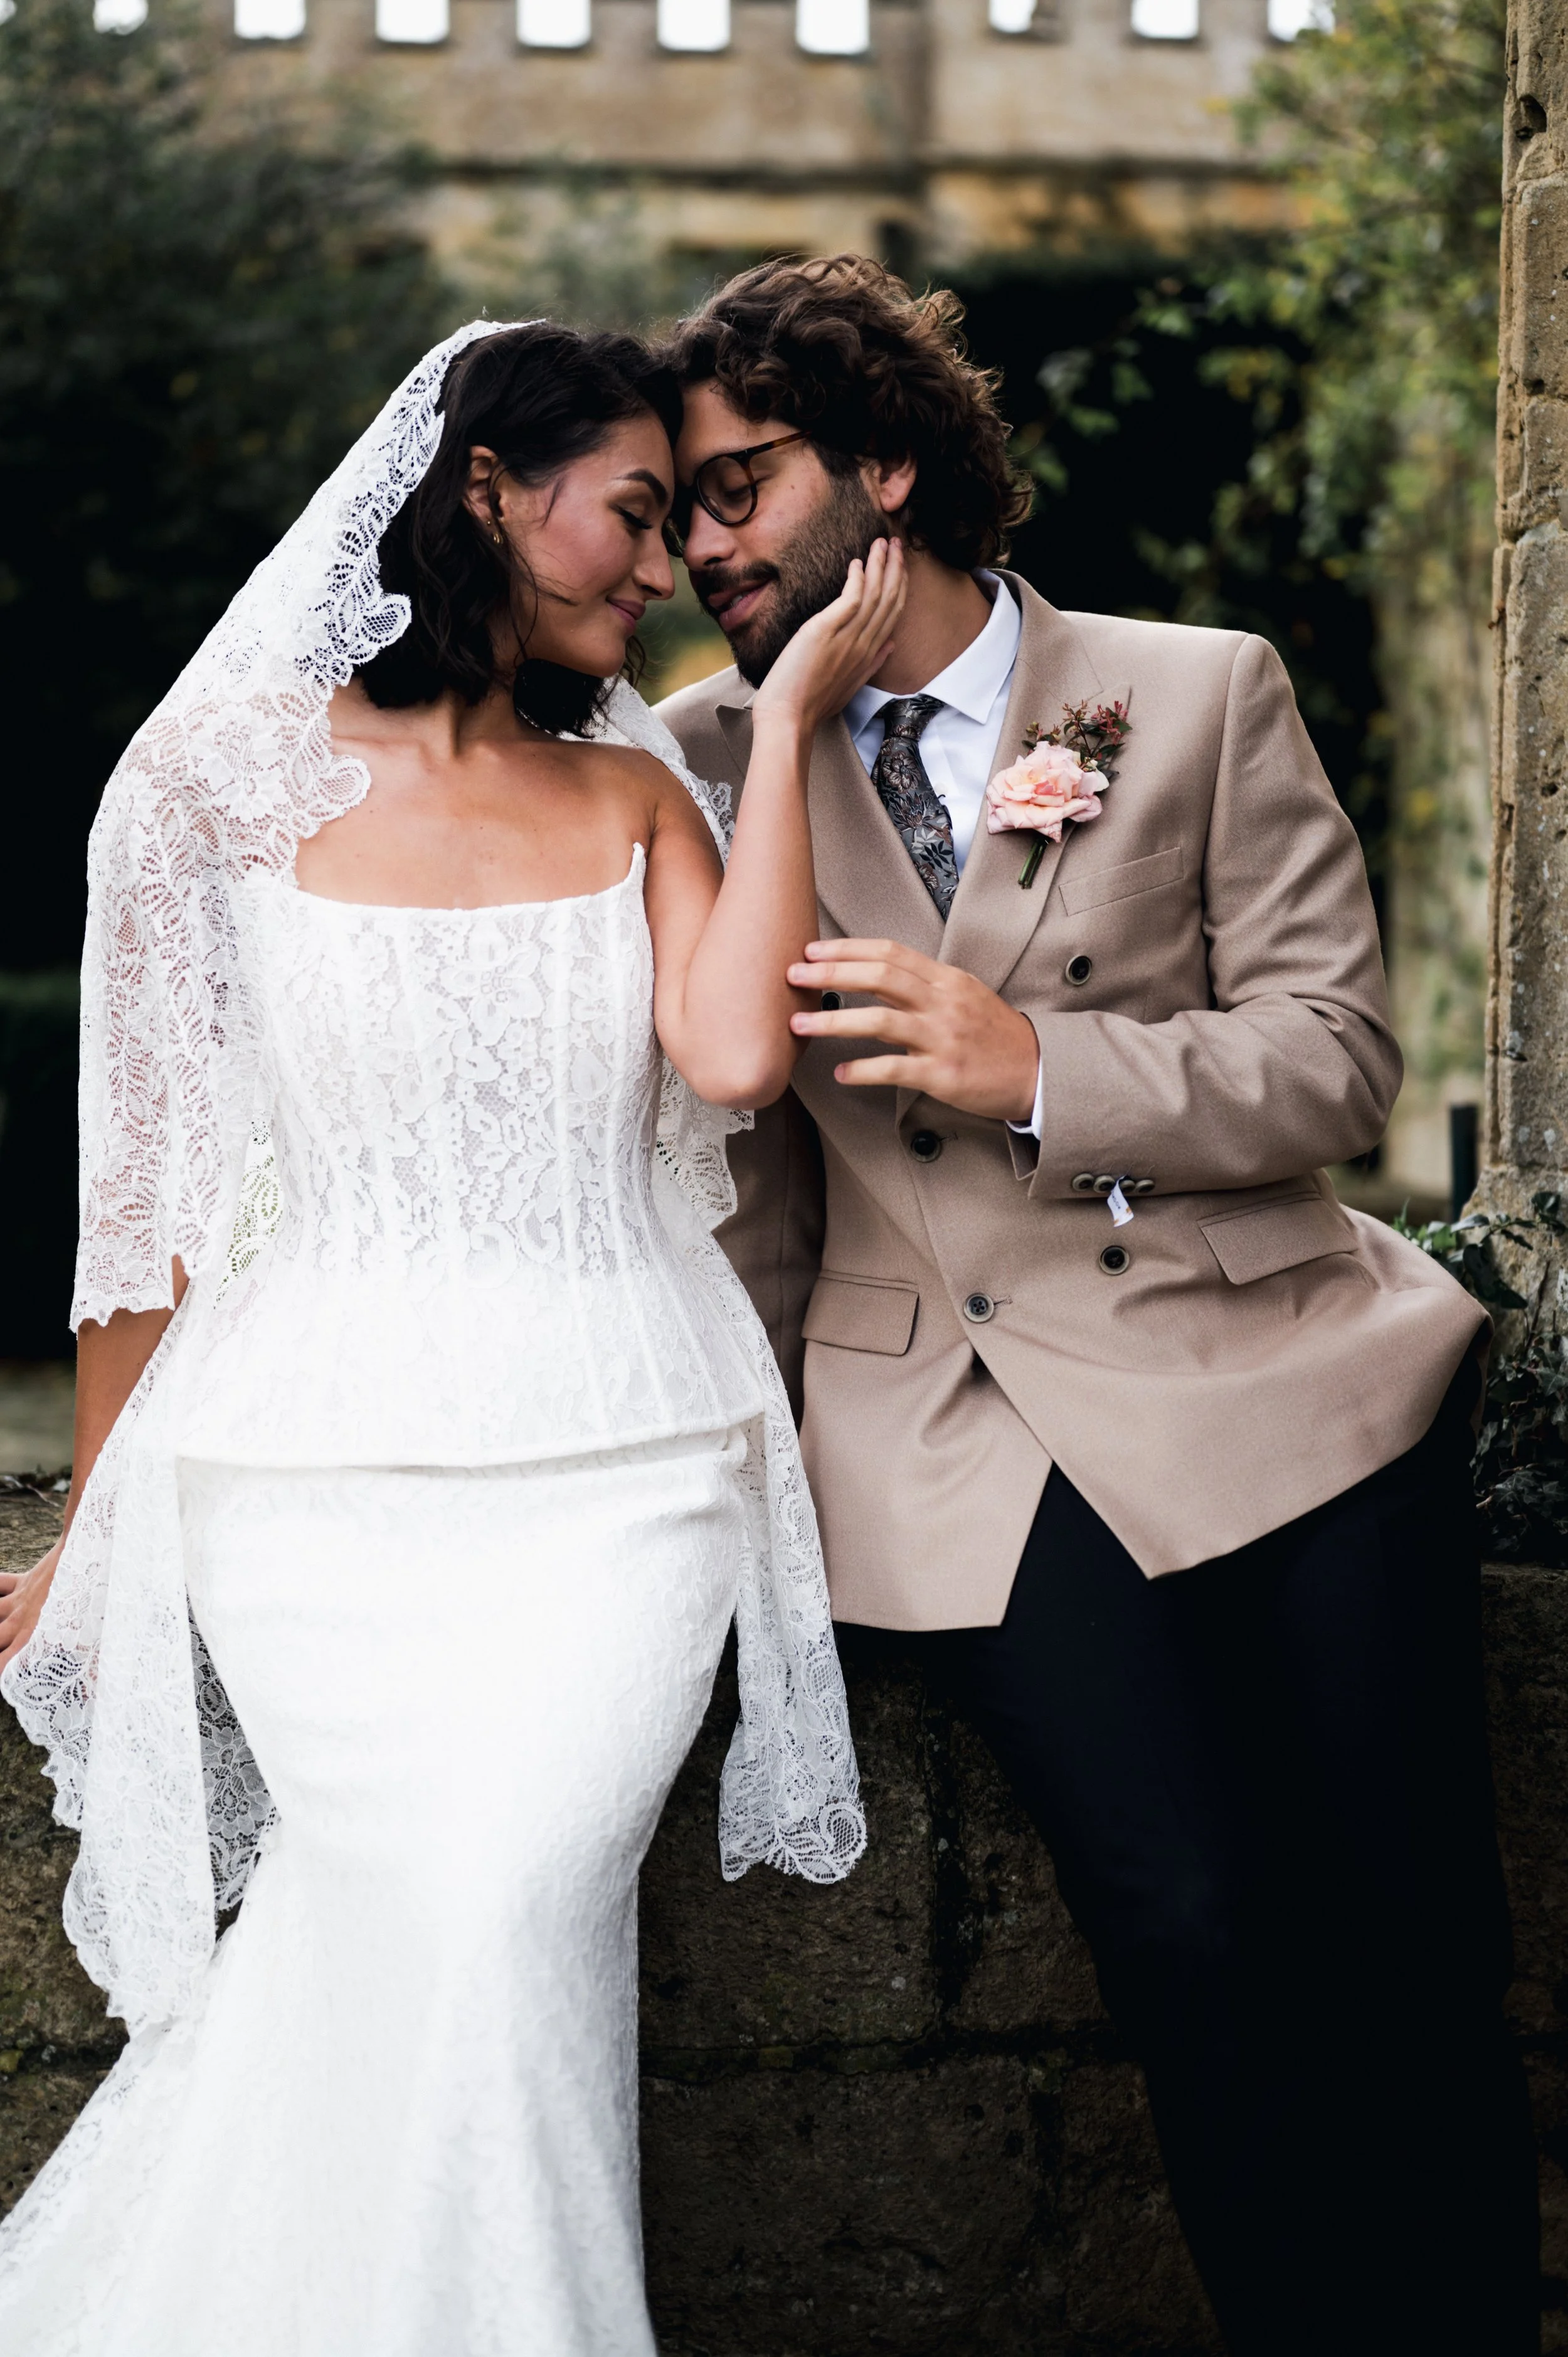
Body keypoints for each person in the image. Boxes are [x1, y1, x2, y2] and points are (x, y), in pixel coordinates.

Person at [655, 254, 1541, 2355]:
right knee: (1193, 1925)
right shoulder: (696, 760)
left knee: (1410, 1929)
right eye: (680, 506)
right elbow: (744, 1178)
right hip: (951, 1435)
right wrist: (743, 1483)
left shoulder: (1197, 684)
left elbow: (1332, 1056)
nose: (701, 546)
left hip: (1279, 1374)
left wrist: (1037, 1070)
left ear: (885, 468)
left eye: (738, 486)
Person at [0, 319, 896, 2355]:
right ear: (488, 485)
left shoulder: (637, 794)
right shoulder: (208, 791)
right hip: (308, 1487)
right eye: (636, 510)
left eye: (682, 523)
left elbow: (740, 1051)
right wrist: (93, 1535)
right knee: (400, 1917)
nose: (660, 566)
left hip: (626, 1470)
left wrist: (788, 705)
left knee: (504, 1901)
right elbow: (138, 1226)